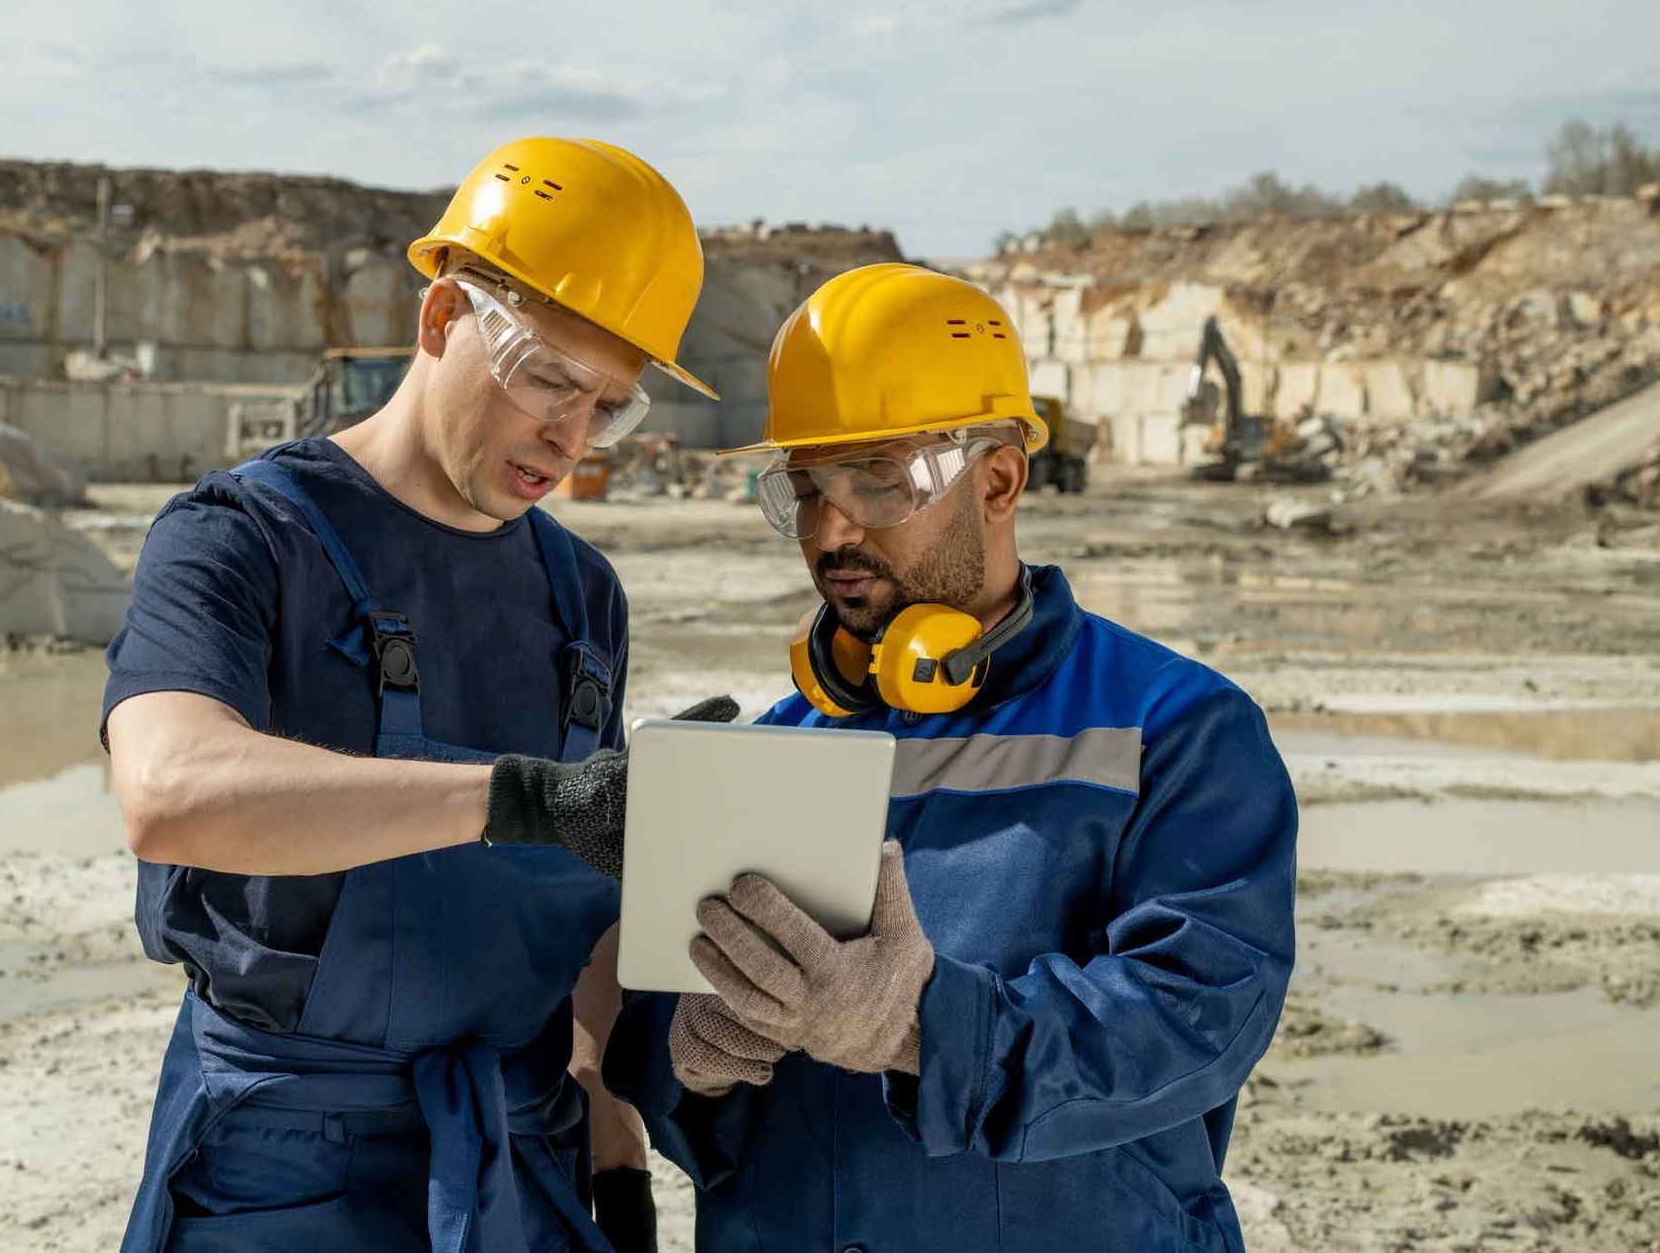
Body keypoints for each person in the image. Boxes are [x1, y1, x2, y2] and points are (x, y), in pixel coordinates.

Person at [103, 135, 729, 1253]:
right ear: (441, 318)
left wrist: (611, 1134)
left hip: (519, 1151)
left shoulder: (585, 594)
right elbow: (171, 786)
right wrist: (524, 798)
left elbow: (574, 916)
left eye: (609, 408)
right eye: (548, 378)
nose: (570, 438)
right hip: (282, 1168)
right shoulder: (243, 538)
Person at [605, 263, 1298, 1252]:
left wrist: (919, 1025)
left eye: (878, 477)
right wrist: (686, 1063)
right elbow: (684, 1091)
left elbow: (1198, 1017)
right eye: (805, 487)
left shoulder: (1175, 727)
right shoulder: (772, 748)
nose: (831, 529)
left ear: (1001, 478)